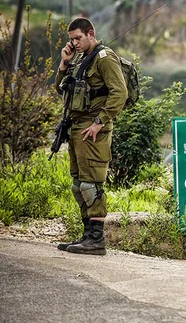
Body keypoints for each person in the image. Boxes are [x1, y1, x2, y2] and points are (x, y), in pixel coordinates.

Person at [54, 18, 127, 256]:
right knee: (79, 184)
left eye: (78, 38)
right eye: (71, 39)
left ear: (91, 33)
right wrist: (64, 63)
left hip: (93, 129)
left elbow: (120, 93)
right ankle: (87, 236)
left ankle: (96, 239)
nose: (74, 43)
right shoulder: (79, 59)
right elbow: (62, 90)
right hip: (77, 127)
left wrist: (99, 122)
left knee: (91, 183)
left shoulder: (105, 57)